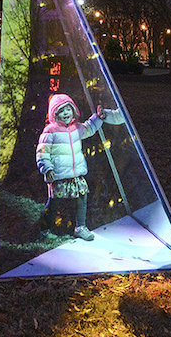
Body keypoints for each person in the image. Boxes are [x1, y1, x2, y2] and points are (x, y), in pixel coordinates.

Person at [36, 93, 124, 242]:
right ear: (54, 114)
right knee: (54, 203)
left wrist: (98, 117)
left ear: (73, 110)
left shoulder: (76, 128)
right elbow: (42, 152)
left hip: (76, 174)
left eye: (68, 109)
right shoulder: (50, 131)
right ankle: (44, 229)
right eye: (61, 111)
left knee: (82, 197)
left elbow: (89, 128)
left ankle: (80, 227)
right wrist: (47, 168)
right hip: (58, 175)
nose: (65, 113)